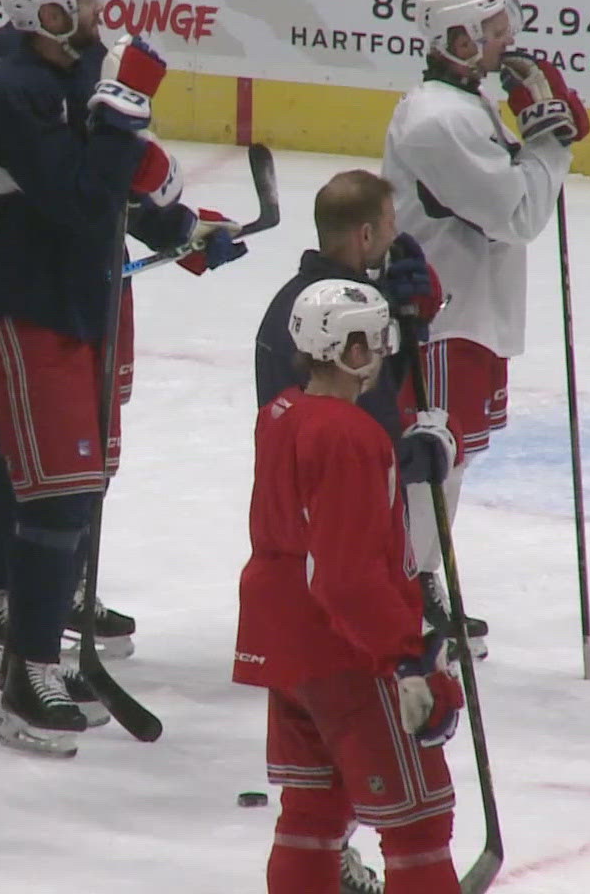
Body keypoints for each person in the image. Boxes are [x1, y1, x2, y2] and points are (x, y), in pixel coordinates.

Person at [0, 0, 245, 758]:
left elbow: (110, 186)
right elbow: (81, 197)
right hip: (20, 306)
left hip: (77, 299)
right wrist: (124, 110)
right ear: (42, 14)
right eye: (78, 5)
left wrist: (181, 230)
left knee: (74, 487)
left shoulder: (80, 69)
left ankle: (38, 653)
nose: (96, 16)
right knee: (55, 493)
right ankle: (28, 673)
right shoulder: (10, 88)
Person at [380, 0, 586, 650]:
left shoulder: (465, 104)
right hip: (441, 319)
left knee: (451, 461)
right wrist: (550, 142)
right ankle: (407, 592)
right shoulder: (440, 119)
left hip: (469, 311)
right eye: (493, 29)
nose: (509, 38)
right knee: (433, 462)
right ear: (458, 39)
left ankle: (419, 582)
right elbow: (518, 213)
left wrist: (538, 136)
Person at [236, 278, 464, 894]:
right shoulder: (351, 434)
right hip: (348, 652)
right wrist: (410, 656)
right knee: (418, 824)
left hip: (286, 646)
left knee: (312, 815)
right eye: (374, 340)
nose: (385, 351)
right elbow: (347, 577)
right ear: (343, 348)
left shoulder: (280, 412)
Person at [253, 170, 458, 649]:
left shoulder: (314, 305)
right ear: (366, 234)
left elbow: (361, 401)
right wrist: (409, 462)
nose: (396, 236)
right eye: (389, 223)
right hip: (329, 580)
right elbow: (332, 445)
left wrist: (410, 325)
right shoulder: (341, 320)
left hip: (294, 568)